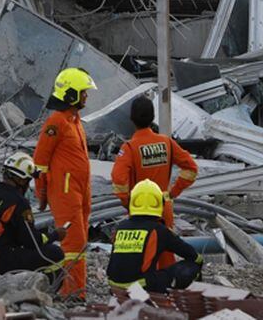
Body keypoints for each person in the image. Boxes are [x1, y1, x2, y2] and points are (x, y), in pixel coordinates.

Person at [110, 95, 198, 269]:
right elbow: (191, 169)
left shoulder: (129, 148)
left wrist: (129, 204)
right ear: (152, 118)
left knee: (140, 259)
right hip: (163, 208)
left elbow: (119, 180)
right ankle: (166, 292)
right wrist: (173, 192)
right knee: (166, 255)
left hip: (139, 213)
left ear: (132, 119)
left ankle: (143, 293)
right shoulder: (167, 143)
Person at [33, 67, 94, 299]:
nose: (86, 96)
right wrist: (42, 195)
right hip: (65, 191)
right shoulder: (56, 122)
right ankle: (72, 292)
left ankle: (78, 288)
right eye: (83, 92)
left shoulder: (74, 120)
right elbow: (40, 162)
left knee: (81, 241)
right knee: (73, 243)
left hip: (80, 190)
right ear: (71, 94)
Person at [0, 152, 65, 275]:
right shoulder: (18, 202)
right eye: (28, 181)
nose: (28, 186)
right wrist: (55, 235)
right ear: (20, 180)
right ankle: (40, 289)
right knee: (55, 254)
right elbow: (30, 241)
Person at [106, 180, 203, 295]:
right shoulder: (159, 230)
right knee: (193, 265)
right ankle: (183, 300)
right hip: (140, 288)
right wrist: (199, 262)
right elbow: (191, 254)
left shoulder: (121, 227)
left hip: (114, 287)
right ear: (160, 203)